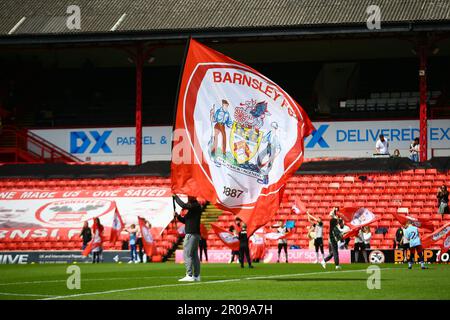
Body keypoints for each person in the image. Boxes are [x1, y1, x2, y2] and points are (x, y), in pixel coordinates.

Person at [173, 194, 203, 282]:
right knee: (194, 255)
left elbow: (183, 205)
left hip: (191, 234)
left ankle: (189, 275)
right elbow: (185, 220)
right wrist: (178, 216)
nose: (188, 198)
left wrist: (176, 197)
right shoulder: (194, 208)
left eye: (189, 197)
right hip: (195, 234)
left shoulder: (195, 205)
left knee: (187, 254)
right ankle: (196, 275)